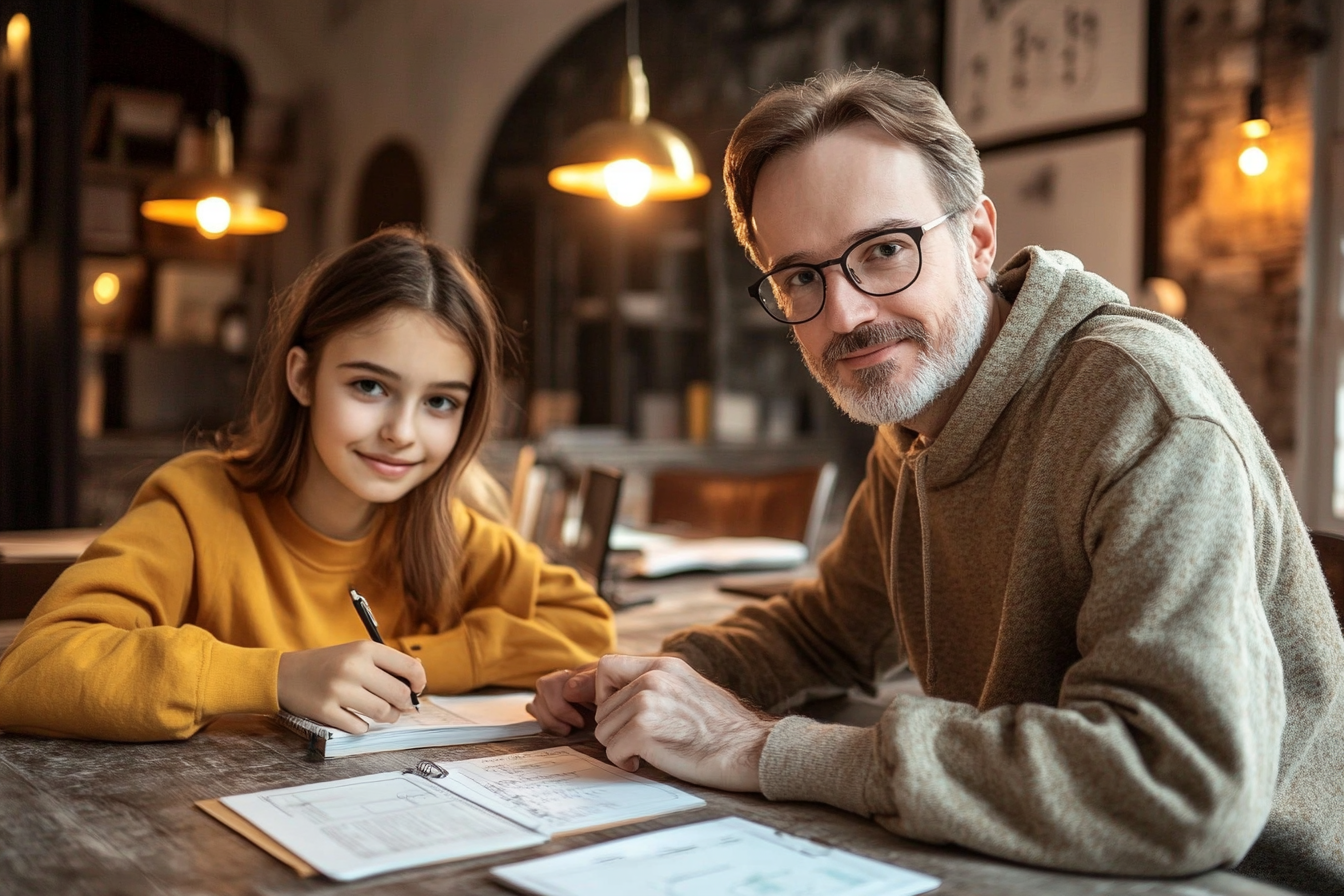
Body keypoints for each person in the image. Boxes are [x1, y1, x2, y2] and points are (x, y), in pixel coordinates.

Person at [529, 70, 1344, 893]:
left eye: (884, 249)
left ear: (979, 238)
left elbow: (1178, 782)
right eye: (800, 277)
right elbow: (827, 632)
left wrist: (756, 747)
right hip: (1025, 850)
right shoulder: (917, 419)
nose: (844, 315)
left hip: (1233, 875)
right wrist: (656, 681)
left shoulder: (1141, 407)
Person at [0, 227, 615, 741]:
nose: (401, 432)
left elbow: (586, 625)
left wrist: (408, 662)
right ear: (302, 375)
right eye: (369, 387)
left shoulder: (444, 528)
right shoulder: (195, 504)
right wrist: (277, 678)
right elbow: (32, 671)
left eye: (440, 402)